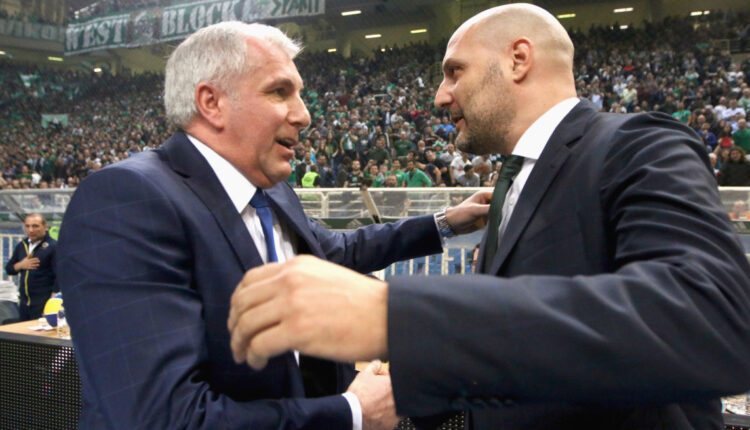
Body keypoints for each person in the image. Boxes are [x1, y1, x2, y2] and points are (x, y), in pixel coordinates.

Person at [226, 4, 750, 429]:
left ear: (518, 60)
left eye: (455, 71)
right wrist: (419, 388)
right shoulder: (511, 181)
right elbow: (524, 350)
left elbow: (711, 319)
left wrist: (397, 318)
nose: (440, 96)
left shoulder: (636, 144)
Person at [56, 21, 490, 430]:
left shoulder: (271, 189)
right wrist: (351, 412)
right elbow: (161, 418)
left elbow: (334, 251)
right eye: (279, 92)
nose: (304, 115)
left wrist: (445, 223)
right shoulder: (127, 198)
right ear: (212, 103)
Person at [5, 213, 57, 321]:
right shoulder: (22, 245)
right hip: (25, 303)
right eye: (27, 226)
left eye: (35, 226)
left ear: (45, 227)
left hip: (43, 302)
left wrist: (52, 303)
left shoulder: (53, 247)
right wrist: (21, 265)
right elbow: (9, 269)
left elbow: (60, 277)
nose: (31, 230)